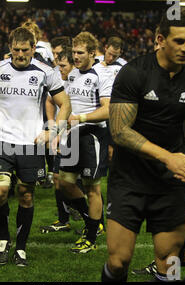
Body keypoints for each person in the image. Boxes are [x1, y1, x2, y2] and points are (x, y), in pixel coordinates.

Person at [102, 11, 185, 282]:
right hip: (129, 180)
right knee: (117, 261)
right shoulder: (134, 72)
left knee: (170, 264)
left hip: (169, 184)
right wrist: (169, 157)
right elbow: (120, 131)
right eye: (179, 41)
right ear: (161, 39)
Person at [0, 27, 71, 266]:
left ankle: (21, 248)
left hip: (31, 144)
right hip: (2, 140)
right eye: (16, 49)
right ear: (10, 47)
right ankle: (4, 240)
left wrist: (52, 130)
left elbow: (64, 104)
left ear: (34, 48)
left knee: (25, 196)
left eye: (25, 50)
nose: (20, 54)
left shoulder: (46, 72)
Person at [57, 32, 113, 253]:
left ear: (92, 53)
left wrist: (81, 118)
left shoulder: (103, 74)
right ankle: (94, 221)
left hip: (92, 135)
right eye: (74, 52)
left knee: (92, 188)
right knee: (65, 184)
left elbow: (108, 109)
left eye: (80, 53)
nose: (76, 56)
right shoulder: (72, 75)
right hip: (72, 134)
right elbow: (68, 104)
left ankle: (90, 237)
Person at [40, 47, 78, 234]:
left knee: (84, 182)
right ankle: (64, 220)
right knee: (57, 178)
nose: (60, 68)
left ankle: (94, 222)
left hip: (79, 136)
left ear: (73, 65)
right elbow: (49, 101)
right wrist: (52, 124)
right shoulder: (58, 78)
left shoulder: (79, 81)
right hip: (62, 135)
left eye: (63, 65)